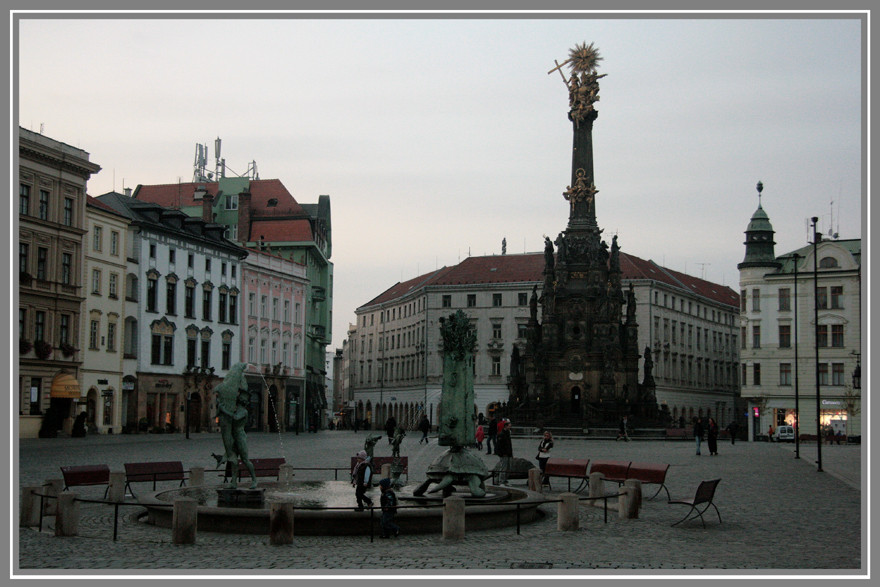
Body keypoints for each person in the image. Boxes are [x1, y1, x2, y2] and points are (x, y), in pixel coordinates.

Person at [496, 419, 514, 485]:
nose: (510, 426)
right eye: (509, 425)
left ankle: (505, 480)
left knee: (508, 468)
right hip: (504, 454)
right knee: (503, 468)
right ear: (506, 426)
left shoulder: (508, 433)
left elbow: (509, 444)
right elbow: (499, 445)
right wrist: (501, 453)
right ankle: (501, 481)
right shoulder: (502, 434)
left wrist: (511, 453)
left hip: (508, 453)